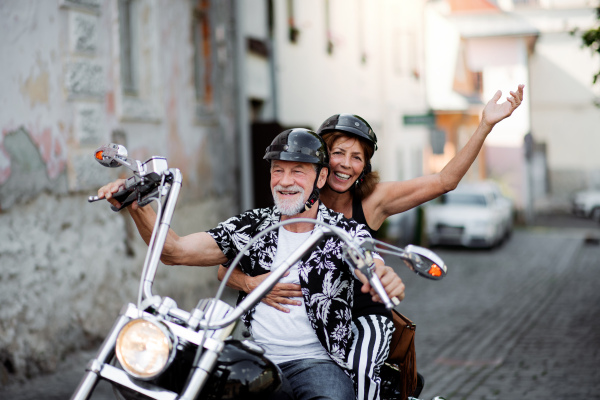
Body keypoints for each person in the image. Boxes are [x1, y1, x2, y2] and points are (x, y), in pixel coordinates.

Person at [218, 84, 525, 400]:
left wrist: (485, 125)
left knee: (360, 367)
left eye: (357, 158)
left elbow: (444, 181)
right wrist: (251, 282)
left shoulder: (373, 201)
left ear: (365, 166)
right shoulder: (294, 196)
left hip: (363, 313)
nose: (346, 164)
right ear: (321, 159)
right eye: (338, 153)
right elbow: (227, 264)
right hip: (317, 324)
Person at [97, 128, 405, 400]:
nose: (285, 182)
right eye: (277, 170)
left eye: (298, 171)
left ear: (321, 177)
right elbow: (174, 251)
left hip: (319, 362)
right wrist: (137, 205)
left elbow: (370, 263)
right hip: (258, 359)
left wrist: (385, 277)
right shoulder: (252, 225)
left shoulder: (343, 231)